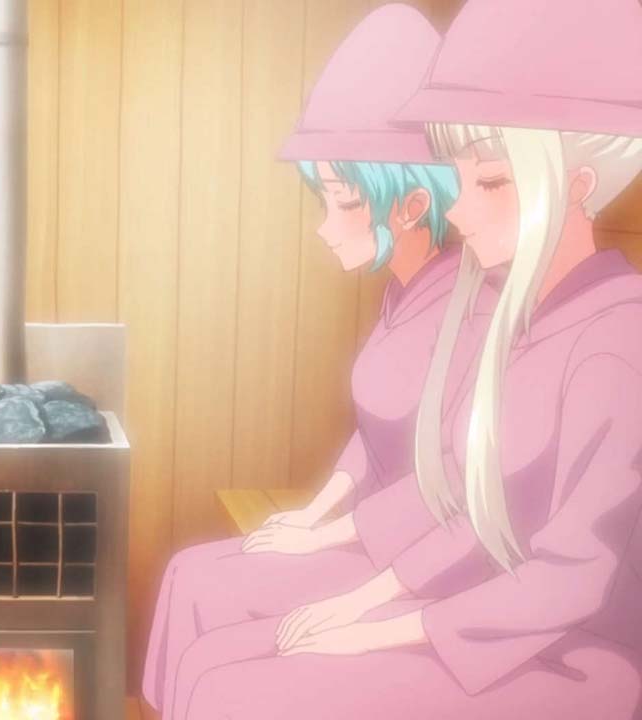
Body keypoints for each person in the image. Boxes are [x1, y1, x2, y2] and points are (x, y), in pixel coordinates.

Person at [168, 1, 642, 717]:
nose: (459, 210)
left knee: (236, 688)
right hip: (475, 612)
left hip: (573, 659)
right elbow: (469, 507)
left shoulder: (617, 345)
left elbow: (573, 580)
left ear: (576, 187)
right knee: (213, 664)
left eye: (490, 183)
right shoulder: (525, 323)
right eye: (462, 180)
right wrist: (364, 601)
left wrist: (381, 627)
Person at [141, 6, 493, 711]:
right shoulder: (402, 295)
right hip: (367, 533)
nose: (324, 228)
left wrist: (329, 536)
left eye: (341, 202)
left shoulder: (473, 313)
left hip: (420, 559)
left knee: (216, 596)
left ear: (410, 205)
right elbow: (377, 431)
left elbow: (453, 482)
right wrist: (313, 515)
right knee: (187, 574)